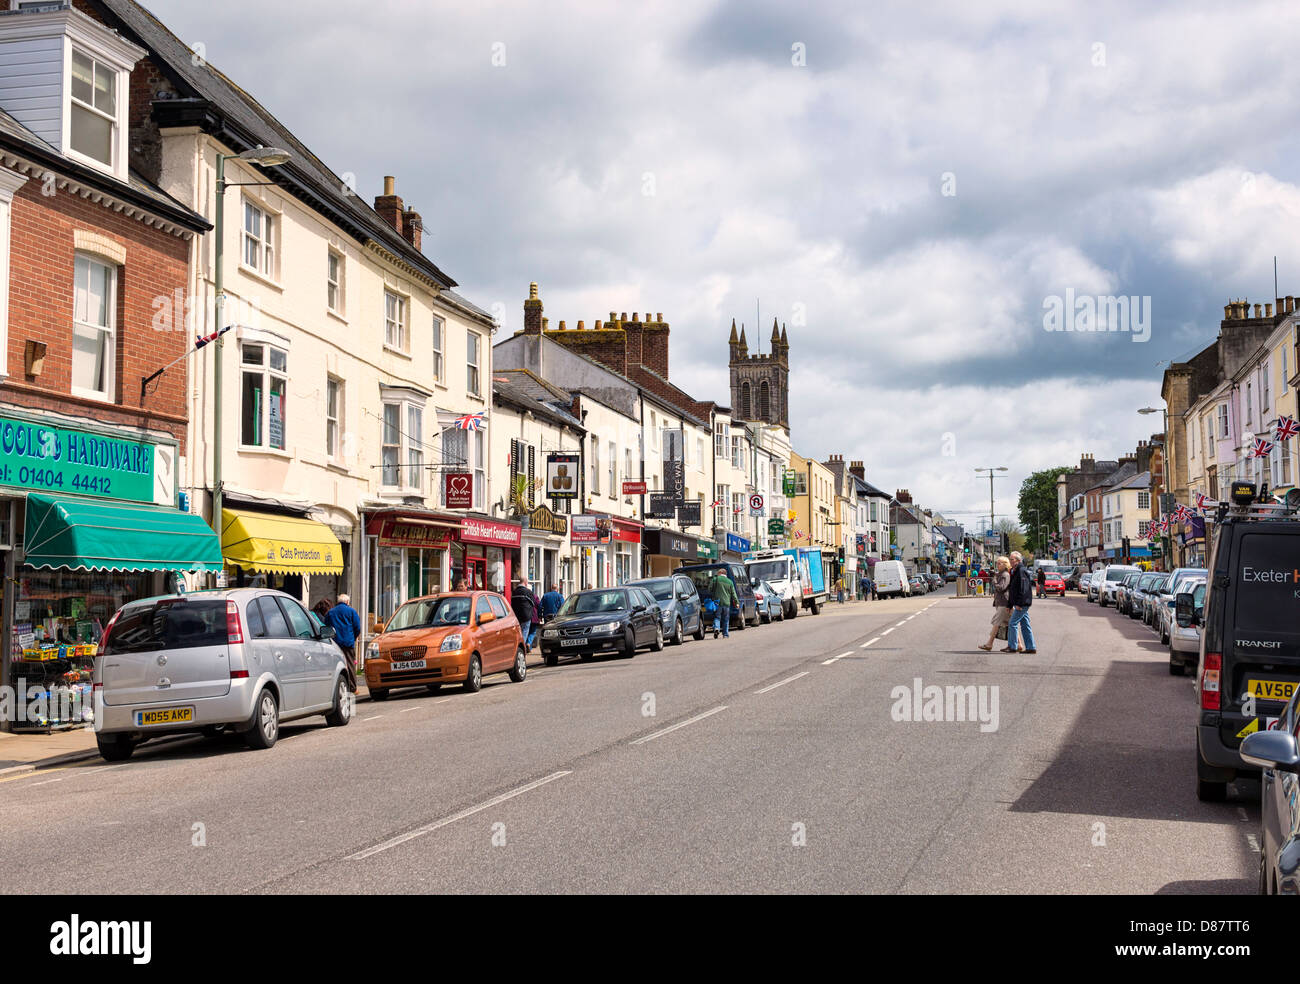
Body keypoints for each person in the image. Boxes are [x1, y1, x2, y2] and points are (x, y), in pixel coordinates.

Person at [326, 594, 361, 690]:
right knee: (350, 665)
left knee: (336, 666)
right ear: (347, 602)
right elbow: (357, 627)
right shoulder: (352, 611)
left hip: (335, 643)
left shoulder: (331, 612)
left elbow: (326, 627)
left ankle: (336, 688)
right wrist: (352, 637)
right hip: (348, 643)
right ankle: (353, 687)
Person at [978, 557, 1012, 651]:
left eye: (1000, 563)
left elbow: (1001, 588)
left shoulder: (1005, 575)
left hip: (1003, 602)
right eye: (997, 563)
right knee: (1010, 624)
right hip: (1001, 602)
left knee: (996, 623)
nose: (997, 565)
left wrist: (994, 581)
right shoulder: (1000, 574)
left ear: (1005, 564)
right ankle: (1019, 644)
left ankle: (989, 644)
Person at [1006, 551, 1037, 654]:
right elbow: (1012, 590)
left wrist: (1019, 604)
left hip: (1022, 603)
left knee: (1012, 623)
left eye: (1012, 559)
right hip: (1020, 603)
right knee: (1025, 624)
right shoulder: (1014, 571)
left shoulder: (1021, 571)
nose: (1010, 561)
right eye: (1010, 559)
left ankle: (1012, 646)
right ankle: (1031, 647)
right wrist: (1010, 604)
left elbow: (1023, 589)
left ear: (1018, 561)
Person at [708, 568, 738, 639]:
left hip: (717, 602)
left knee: (717, 617)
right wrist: (736, 602)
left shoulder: (715, 579)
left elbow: (709, 589)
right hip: (727, 603)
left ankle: (716, 628)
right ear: (725, 574)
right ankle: (725, 634)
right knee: (726, 619)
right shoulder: (730, 581)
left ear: (719, 573)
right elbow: (733, 593)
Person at [511, 580, 540, 650]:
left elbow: (512, 603)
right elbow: (534, 603)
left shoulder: (514, 592)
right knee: (525, 632)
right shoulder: (528, 592)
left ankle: (519, 647)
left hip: (516, 616)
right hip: (527, 616)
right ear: (525, 582)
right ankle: (521, 649)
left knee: (519, 632)